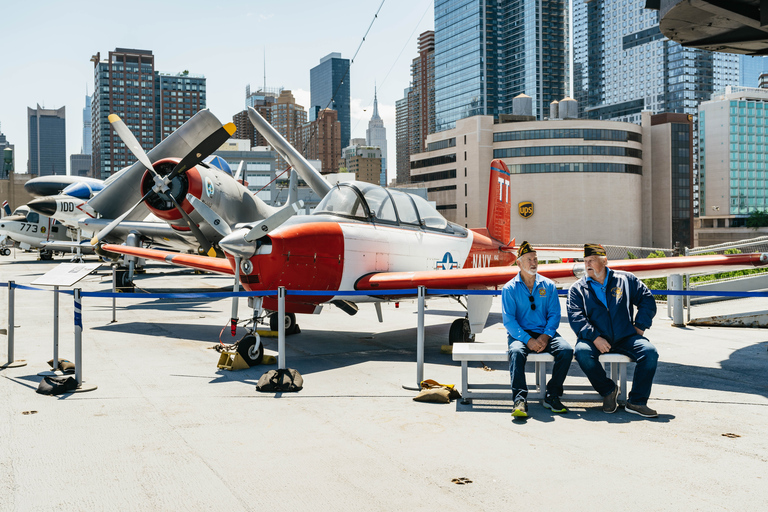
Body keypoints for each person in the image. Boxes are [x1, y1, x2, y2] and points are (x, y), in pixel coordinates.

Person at [567, 243, 659, 418]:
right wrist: (595, 338)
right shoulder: (577, 289)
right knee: (582, 353)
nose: (587, 265)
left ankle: (637, 402)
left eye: (592, 260)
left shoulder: (625, 280)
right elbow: (576, 318)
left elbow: (647, 300)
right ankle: (608, 390)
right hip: (594, 339)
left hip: (625, 337)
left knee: (650, 353)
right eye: (585, 261)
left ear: (605, 261)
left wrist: (640, 325)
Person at [502, 241, 573, 418]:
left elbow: (554, 315)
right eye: (528, 259)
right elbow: (509, 321)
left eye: (535, 259)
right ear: (518, 263)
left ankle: (552, 395)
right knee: (517, 352)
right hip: (520, 335)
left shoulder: (548, 285)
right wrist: (528, 340)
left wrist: (545, 337)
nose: (533, 263)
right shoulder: (509, 288)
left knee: (566, 350)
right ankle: (519, 399)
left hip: (545, 334)